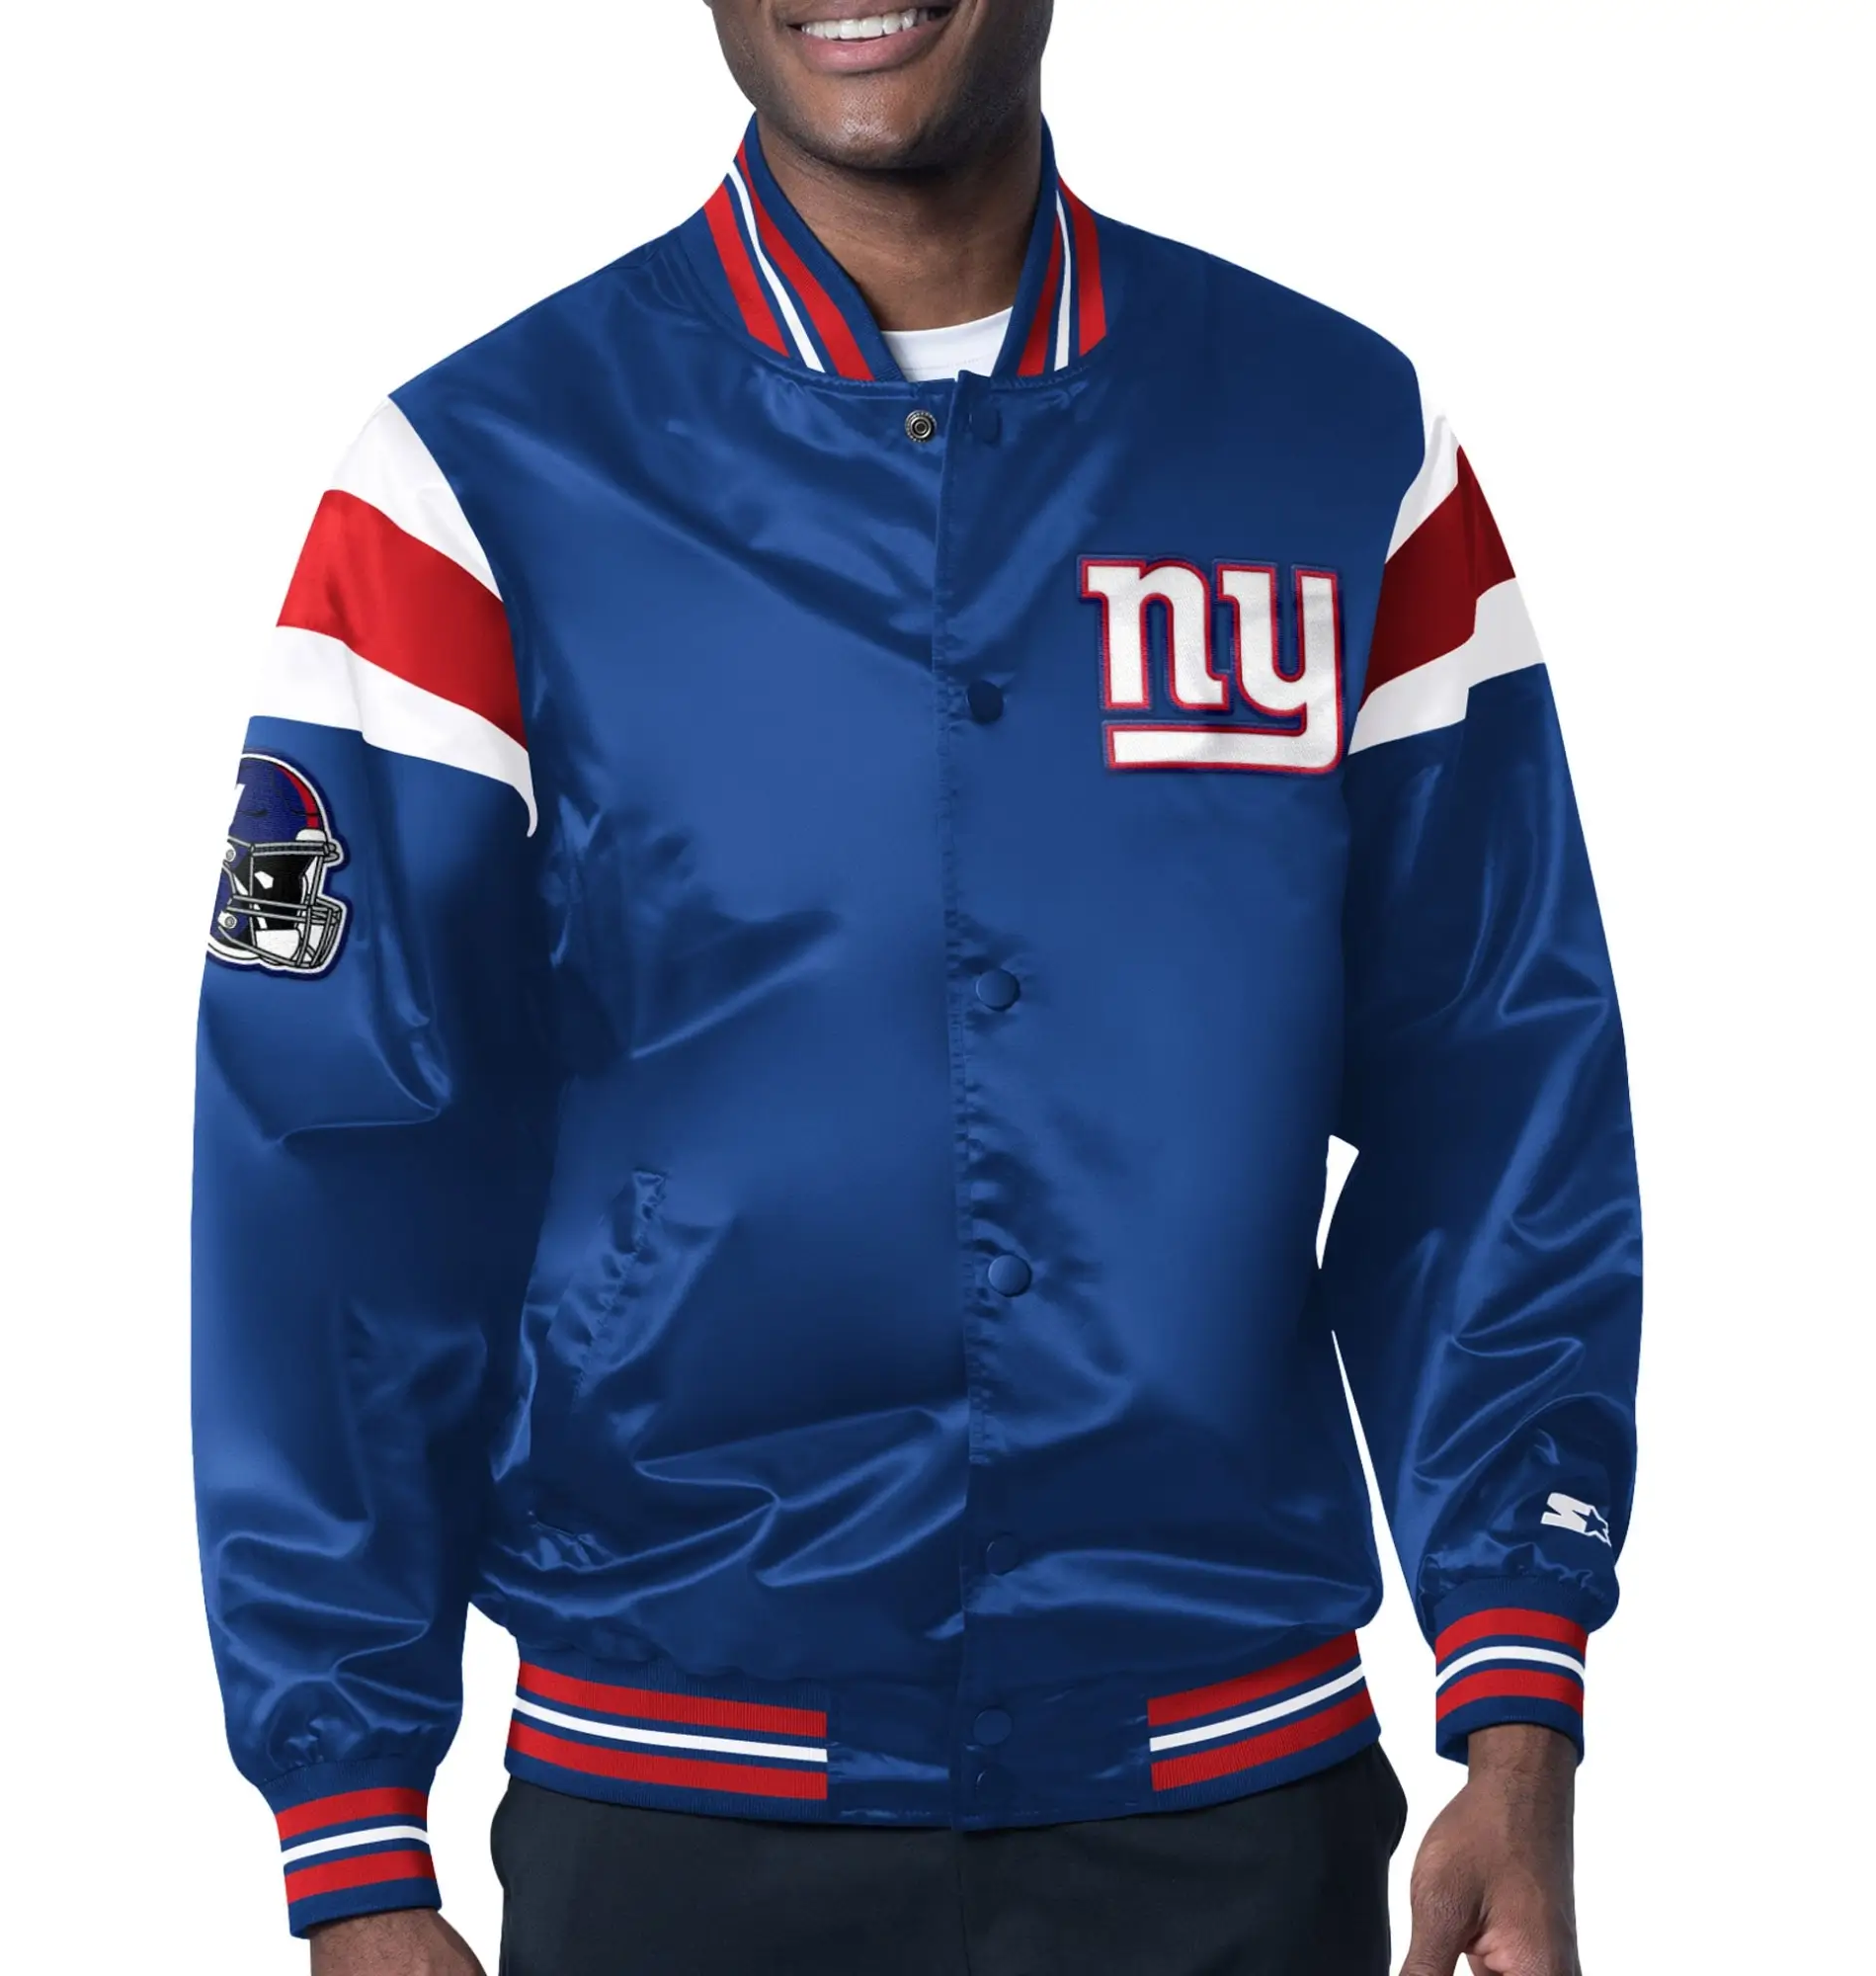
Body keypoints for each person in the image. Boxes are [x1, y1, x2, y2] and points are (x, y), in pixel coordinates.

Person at [191, 3, 1641, 1971]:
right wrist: (352, 1834)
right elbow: (334, 1165)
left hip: (1231, 1800)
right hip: (674, 1801)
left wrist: (1518, 1689)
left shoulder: (1341, 450)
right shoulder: (472, 486)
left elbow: (1498, 1100)